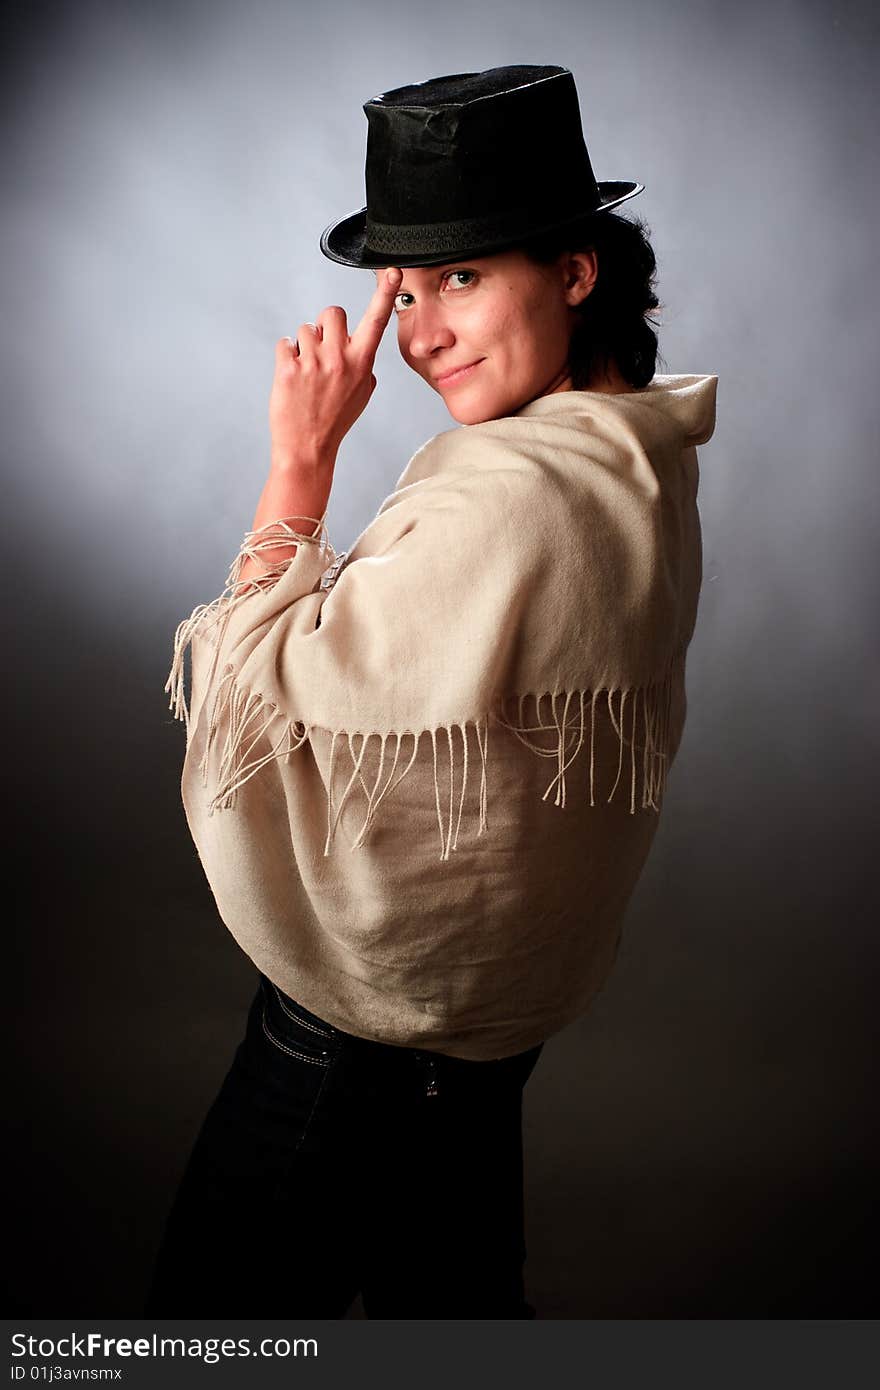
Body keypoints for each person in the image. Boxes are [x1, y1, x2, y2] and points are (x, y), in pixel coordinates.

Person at [145, 64, 717, 1319]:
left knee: (204, 1334)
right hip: (489, 1024)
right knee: (452, 1317)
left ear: (576, 272)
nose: (418, 333)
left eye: (461, 275)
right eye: (403, 290)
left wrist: (301, 463)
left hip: (364, 1032)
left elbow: (259, 702)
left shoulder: (507, 492)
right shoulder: (643, 451)